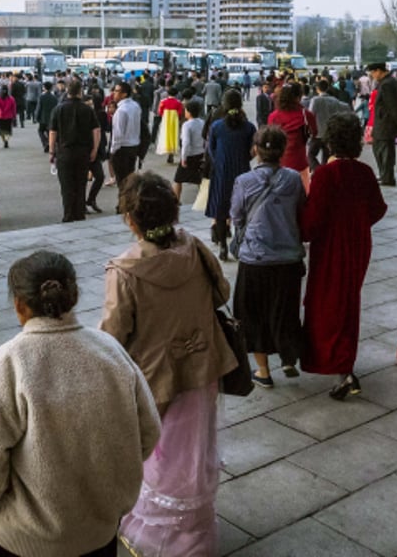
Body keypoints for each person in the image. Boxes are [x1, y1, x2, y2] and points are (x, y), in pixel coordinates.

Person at [0, 251, 160, 557]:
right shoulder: (111, 351)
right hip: (99, 536)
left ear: (19, 305)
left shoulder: (9, 362)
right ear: (73, 296)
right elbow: (149, 431)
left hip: (25, 542)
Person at [101, 172, 236, 555]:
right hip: (202, 367)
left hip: (155, 379)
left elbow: (112, 333)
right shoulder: (193, 248)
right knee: (194, 451)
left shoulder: (125, 271)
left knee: (160, 456)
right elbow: (222, 291)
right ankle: (193, 530)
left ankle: (155, 533)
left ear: (131, 219)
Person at [302, 114, 387, 399]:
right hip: (358, 243)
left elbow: (311, 222)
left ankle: (341, 367)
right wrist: (358, 223)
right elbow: (378, 208)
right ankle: (344, 363)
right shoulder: (363, 171)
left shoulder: (326, 175)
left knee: (328, 303)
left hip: (330, 246)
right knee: (348, 299)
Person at [230, 126, 306, 388]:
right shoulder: (294, 179)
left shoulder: (244, 181)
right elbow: (301, 211)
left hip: (255, 259)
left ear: (256, 150)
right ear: (283, 151)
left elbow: (237, 216)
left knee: (253, 315)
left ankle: (263, 371)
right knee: (285, 310)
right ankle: (288, 357)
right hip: (288, 258)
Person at [205, 88, 255, 260]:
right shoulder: (249, 127)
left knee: (220, 210)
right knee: (242, 209)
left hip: (221, 172)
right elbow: (252, 151)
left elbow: (211, 149)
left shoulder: (217, 126)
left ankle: (223, 247)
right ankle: (239, 243)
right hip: (242, 172)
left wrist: (220, 161)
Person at [48, 79, 100, 223]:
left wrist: (52, 151)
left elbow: (53, 132)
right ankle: (79, 213)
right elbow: (96, 130)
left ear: (67, 91)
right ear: (80, 92)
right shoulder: (87, 109)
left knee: (66, 185)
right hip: (83, 152)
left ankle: (68, 214)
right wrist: (94, 149)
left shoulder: (58, 109)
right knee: (80, 184)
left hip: (64, 152)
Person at [367, 63, 397, 186]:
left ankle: (387, 177)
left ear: (379, 71)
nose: (372, 76)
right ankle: (385, 175)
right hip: (384, 123)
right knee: (382, 150)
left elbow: (392, 105)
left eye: (373, 73)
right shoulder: (390, 81)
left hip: (385, 124)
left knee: (383, 151)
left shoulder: (387, 84)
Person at [267, 82, 316, 175]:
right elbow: (314, 133)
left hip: (279, 162)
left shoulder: (273, 116)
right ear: (299, 96)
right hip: (299, 162)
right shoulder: (306, 115)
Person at [109, 81, 142, 197]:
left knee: (122, 182)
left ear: (124, 94)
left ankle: (123, 205)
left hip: (122, 149)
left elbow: (118, 135)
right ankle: (128, 203)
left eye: (117, 91)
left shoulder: (121, 111)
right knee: (129, 180)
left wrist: (112, 151)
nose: (114, 93)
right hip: (133, 147)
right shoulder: (135, 106)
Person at [306, 78, 348, 169]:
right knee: (327, 156)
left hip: (317, 133)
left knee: (310, 154)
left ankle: (318, 170)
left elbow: (310, 115)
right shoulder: (334, 100)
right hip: (330, 133)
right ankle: (324, 172)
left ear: (317, 88)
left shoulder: (315, 100)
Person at [173, 99, 206, 202]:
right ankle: (203, 199)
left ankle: (176, 200)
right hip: (200, 153)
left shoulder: (187, 125)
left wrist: (183, 158)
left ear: (189, 112)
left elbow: (186, 143)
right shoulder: (202, 122)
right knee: (199, 179)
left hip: (190, 155)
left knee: (178, 179)